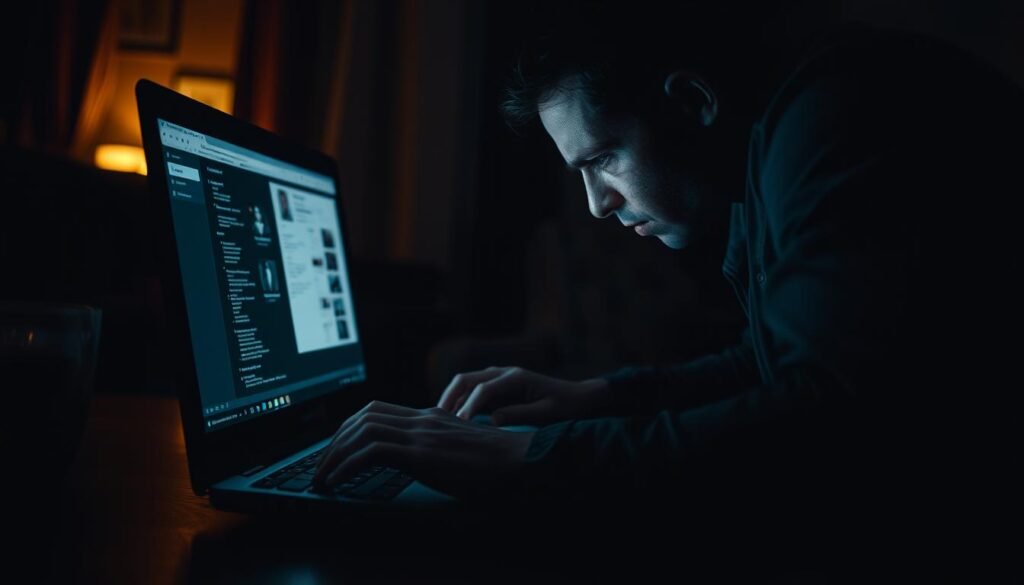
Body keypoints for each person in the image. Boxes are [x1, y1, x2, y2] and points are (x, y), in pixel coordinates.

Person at [312, 2, 1020, 572]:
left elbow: (824, 416)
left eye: (603, 159)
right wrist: (600, 395)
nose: (598, 203)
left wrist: (528, 456)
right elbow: (773, 363)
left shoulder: (838, 116)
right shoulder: (778, 146)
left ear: (691, 101)